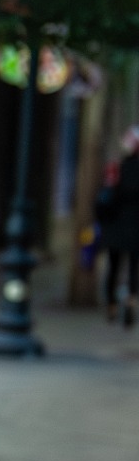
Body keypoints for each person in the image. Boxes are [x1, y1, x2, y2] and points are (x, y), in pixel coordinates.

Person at [100, 126, 139, 328]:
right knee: (133, 268)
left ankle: (112, 305)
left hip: (115, 226)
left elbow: (106, 198)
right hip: (135, 228)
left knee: (113, 267)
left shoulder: (117, 168)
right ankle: (130, 300)